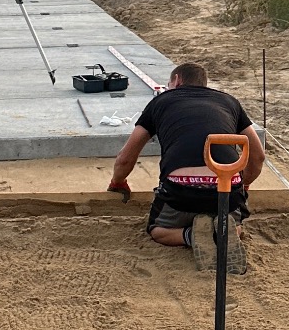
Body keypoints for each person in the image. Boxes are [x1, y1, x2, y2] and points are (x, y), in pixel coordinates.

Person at [106, 61, 264, 257]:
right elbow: (258, 157)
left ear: (177, 80)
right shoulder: (229, 102)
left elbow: (125, 158)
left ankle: (190, 236)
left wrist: (118, 182)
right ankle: (225, 232)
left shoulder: (161, 102)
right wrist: (243, 185)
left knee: (158, 230)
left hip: (181, 193)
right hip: (225, 189)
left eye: (169, 84)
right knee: (233, 223)